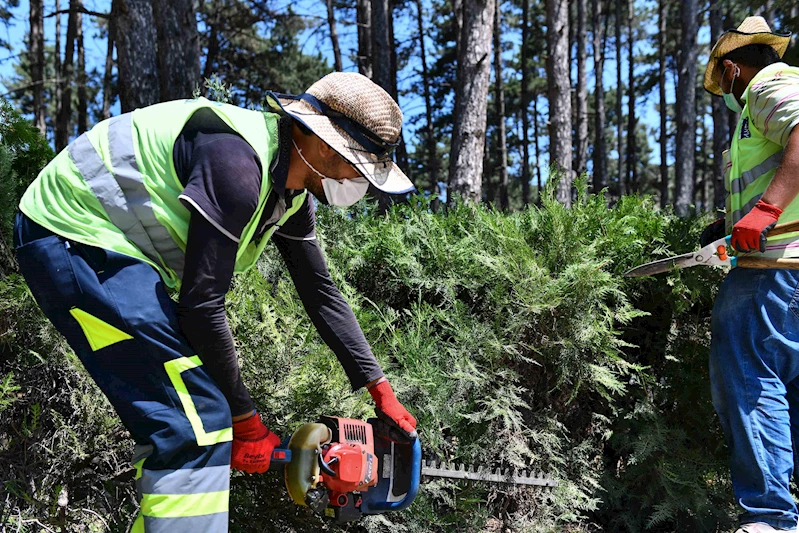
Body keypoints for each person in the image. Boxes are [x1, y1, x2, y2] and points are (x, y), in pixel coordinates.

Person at [13, 72, 418, 532]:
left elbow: (319, 290)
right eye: (359, 167)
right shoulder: (237, 167)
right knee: (198, 421)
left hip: (103, 252)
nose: (358, 182)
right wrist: (246, 421)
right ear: (326, 146)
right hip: (71, 238)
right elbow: (202, 305)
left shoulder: (287, 189)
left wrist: (378, 389)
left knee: (194, 417)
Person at [702, 16, 799, 533]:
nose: (727, 92)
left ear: (733, 66)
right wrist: (728, 222)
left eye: (724, 81)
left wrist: (765, 212)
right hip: (790, 263)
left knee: (749, 375)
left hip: (776, 265)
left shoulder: (769, 84)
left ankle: (772, 518)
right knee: (791, 386)